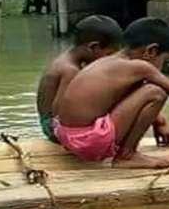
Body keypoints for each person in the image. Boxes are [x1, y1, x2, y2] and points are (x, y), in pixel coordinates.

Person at [53, 17, 169, 169]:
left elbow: (125, 98)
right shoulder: (139, 67)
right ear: (151, 51)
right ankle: (127, 155)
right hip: (88, 143)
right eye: (164, 60)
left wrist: (159, 123)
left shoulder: (107, 62)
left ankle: (123, 151)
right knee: (156, 92)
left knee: (144, 90)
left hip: (66, 137)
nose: (162, 66)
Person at [36, 14, 123, 143]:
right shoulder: (70, 70)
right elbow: (59, 113)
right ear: (93, 47)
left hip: (50, 123)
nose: (110, 60)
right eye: (109, 54)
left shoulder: (67, 59)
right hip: (54, 128)